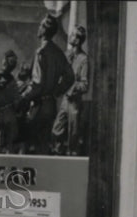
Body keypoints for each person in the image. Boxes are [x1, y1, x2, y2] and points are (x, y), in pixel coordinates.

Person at [18, 15, 74, 154]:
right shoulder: (58, 52)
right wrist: (56, 91)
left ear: (44, 29)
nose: (38, 27)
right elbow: (70, 76)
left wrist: (23, 97)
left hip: (38, 108)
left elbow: (37, 83)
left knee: (28, 147)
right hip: (50, 106)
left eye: (40, 25)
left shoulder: (41, 52)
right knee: (44, 147)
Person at [52, 24, 90, 155]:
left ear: (78, 40)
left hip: (74, 102)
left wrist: (72, 88)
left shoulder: (84, 59)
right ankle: (58, 153)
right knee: (56, 130)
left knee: (73, 136)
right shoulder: (66, 55)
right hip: (64, 101)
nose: (70, 36)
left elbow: (85, 85)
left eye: (73, 35)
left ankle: (71, 159)